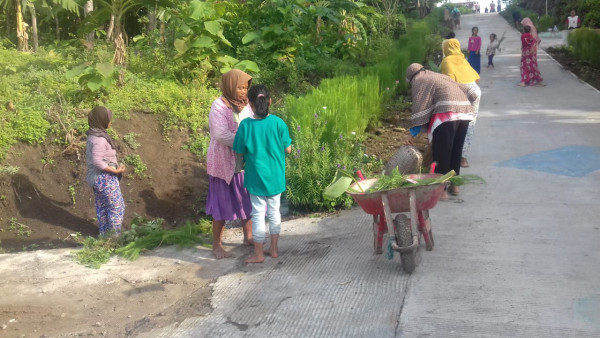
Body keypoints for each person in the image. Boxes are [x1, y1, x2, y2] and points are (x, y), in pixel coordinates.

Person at [233, 85, 292, 263]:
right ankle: (273, 249)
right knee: (275, 213)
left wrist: (239, 166)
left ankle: (258, 254)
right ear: (270, 101)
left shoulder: (245, 126)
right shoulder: (279, 123)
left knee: (258, 214)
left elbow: (239, 151)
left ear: (250, 104)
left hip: (255, 178)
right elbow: (288, 149)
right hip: (275, 177)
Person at [404, 64, 477, 198]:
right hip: (465, 113)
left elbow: (420, 106)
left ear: (411, 77)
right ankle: (455, 186)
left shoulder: (418, 79)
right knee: (456, 151)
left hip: (447, 115)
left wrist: (413, 133)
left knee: (442, 153)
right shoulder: (439, 76)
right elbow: (471, 93)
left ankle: (441, 191)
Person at [206, 69, 254, 259]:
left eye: (245, 87)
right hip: (223, 162)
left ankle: (248, 237)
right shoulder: (219, 106)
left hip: (243, 162)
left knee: (246, 199)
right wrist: (246, 142)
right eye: (239, 87)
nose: (243, 91)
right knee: (221, 204)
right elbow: (221, 134)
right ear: (229, 86)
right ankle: (217, 245)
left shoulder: (247, 105)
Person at [85, 106, 126, 236]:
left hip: (95, 179)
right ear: (101, 120)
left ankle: (104, 236)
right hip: (104, 178)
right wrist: (116, 170)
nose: (110, 122)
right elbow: (97, 161)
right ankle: (114, 238)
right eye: (108, 119)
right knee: (117, 207)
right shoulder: (100, 139)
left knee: (103, 207)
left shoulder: (92, 134)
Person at [441, 39, 482, 169]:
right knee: (470, 124)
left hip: (460, 92)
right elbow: (476, 77)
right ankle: (463, 159)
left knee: (454, 124)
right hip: (474, 91)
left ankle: (452, 155)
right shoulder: (463, 59)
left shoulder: (446, 61)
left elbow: (449, 81)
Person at [519, 19, 545, 87]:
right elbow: (536, 40)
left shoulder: (523, 35)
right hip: (532, 51)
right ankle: (538, 80)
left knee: (524, 66)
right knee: (533, 66)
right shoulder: (532, 30)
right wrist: (533, 48)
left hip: (526, 52)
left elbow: (524, 42)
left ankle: (524, 80)